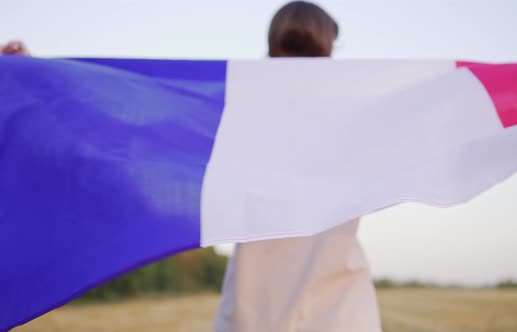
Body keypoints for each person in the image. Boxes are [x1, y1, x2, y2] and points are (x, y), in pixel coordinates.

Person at [1, 3, 382, 331]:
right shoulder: (264, 111)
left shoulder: (240, 111)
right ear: (329, 47)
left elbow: (124, 131)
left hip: (303, 307)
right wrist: (35, 79)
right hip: (296, 307)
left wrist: (37, 83)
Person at [213, 2, 382, 332]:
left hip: (285, 288)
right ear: (327, 46)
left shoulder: (238, 109)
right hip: (319, 293)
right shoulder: (354, 111)